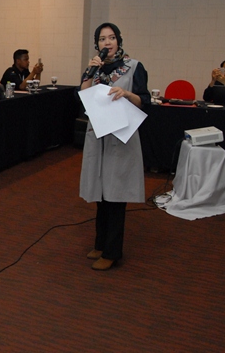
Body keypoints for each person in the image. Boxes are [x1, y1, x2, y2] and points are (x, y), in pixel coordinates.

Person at [79, 22, 150, 271]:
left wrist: (127, 94)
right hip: (98, 136)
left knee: (116, 195)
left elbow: (144, 101)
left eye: (111, 38)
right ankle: (100, 244)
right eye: (102, 39)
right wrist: (90, 73)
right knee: (100, 193)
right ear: (96, 44)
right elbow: (82, 96)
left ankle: (112, 252)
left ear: (119, 40)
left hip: (121, 138)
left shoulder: (134, 66)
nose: (107, 43)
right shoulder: (94, 68)